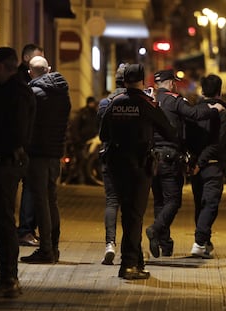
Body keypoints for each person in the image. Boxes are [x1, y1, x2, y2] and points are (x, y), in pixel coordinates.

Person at [99, 64, 177, 280]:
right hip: (139, 166)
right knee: (134, 215)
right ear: (143, 81)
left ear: (124, 82)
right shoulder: (146, 104)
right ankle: (129, 265)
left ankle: (136, 261)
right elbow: (169, 131)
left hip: (116, 165)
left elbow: (103, 134)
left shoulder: (114, 103)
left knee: (127, 213)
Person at [0, 47, 35, 298]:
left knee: (3, 223)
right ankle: (7, 278)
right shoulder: (9, 90)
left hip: (5, 164)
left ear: (2, 66)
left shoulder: (15, 93)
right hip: (5, 162)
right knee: (2, 222)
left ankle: (8, 279)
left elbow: (15, 133)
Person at [145, 69, 223, 258]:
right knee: (173, 201)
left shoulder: (149, 101)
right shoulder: (174, 100)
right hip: (170, 157)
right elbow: (194, 114)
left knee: (160, 201)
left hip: (152, 158)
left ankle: (165, 244)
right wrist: (213, 108)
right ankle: (155, 230)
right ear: (170, 83)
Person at [20, 56, 71, 264]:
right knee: (51, 201)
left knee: (41, 202)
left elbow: (26, 124)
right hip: (54, 154)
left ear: (30, 72)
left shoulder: (33, 94)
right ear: (48, 69)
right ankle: (54, 248)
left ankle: (46, 250)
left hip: (38, 154)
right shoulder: (63, 94)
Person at [185, 74, 226, 259]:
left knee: (200, 204)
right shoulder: (222, 113)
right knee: (210, 204)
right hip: (211, 165)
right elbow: (218, 143)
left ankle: (205, 242)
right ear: (219, 91)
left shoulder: (195, 111)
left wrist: (193, 162)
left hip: (196, 165)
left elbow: (188, 139)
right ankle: (199, 242)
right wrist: (201, 162)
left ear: (202, 90)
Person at [97, 63, 127, 265]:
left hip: (109, 155)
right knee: (130, 205)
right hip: (131, 159)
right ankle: (129, 248)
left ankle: (110, 243)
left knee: (111, 201)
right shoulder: (137, 101)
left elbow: (101, 130)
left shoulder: (104, 103)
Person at [17, 43, 44, 247]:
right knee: (29, 188)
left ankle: (27, 229)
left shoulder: (29, 84)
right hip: (25, 144)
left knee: (31, 187)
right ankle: (25, 230)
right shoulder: (23, 84)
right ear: (27, 59)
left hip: (30, 143)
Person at [70, 96, 99, 184]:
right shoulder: (83, 113)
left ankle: (86, 180)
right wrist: (77, 140)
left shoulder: (95, 114)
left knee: (88, 162)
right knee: (82, 161)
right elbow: (75, 127)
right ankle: (81, 181)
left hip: (91, 142)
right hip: (81, 143)